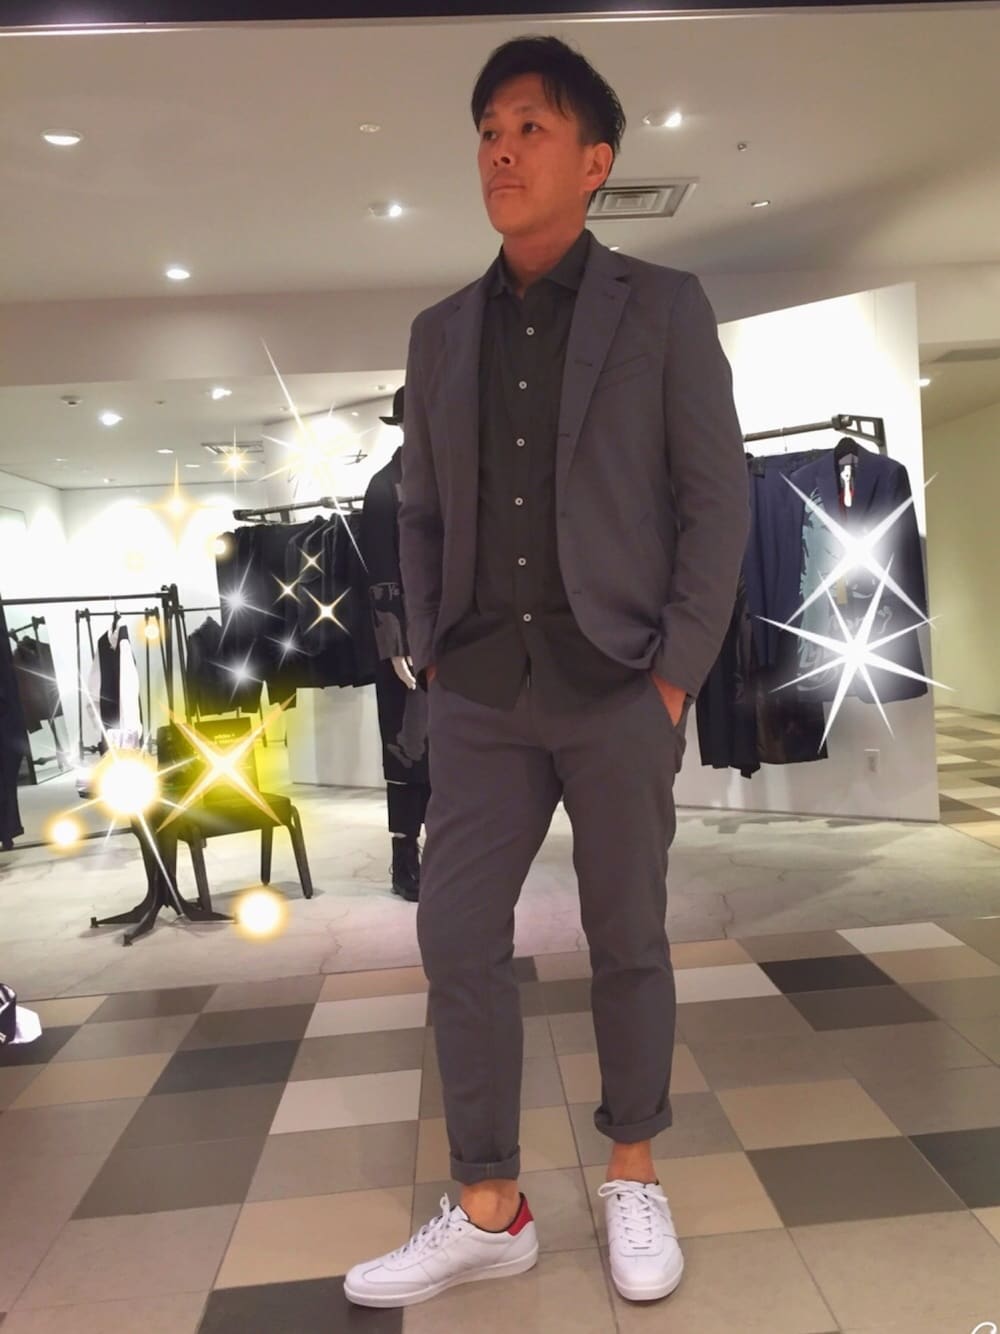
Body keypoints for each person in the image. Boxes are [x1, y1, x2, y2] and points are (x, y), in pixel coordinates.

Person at [345, 34, 748, 1310]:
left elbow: (716, 499)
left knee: (627, 933)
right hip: (478, 689)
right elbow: (417, 506)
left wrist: (675, 676)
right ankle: (490, 1205)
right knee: (455, 932)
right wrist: (425, 647)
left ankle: (632, 1169)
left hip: (620, 681)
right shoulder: (439, 333)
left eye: (530, 127)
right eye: (487, 131)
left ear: (595, 160)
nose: (501, 151)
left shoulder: (662, 307)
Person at [359, 386, 432, 903]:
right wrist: (394, 641)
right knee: (407, 747)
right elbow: (379, 571)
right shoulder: (385, 487)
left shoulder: (451, 477)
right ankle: (404, 856)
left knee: (457, 748)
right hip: (405, 642)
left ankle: (452, 853)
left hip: (455, 635)